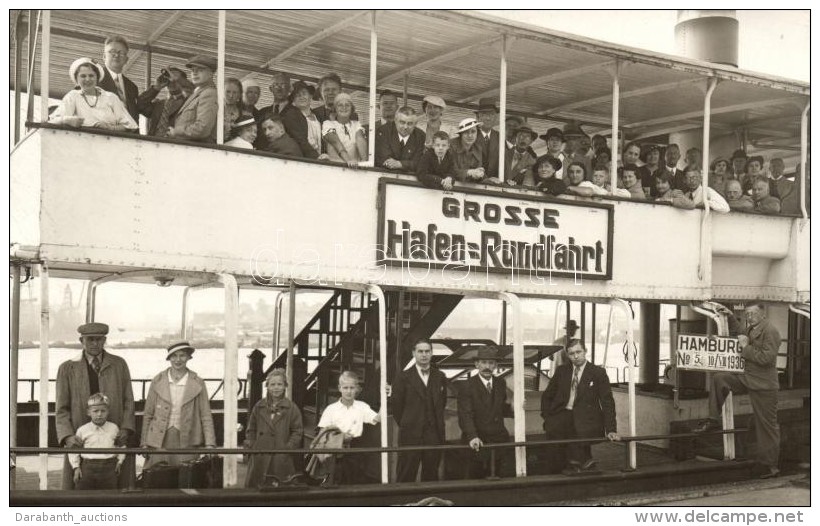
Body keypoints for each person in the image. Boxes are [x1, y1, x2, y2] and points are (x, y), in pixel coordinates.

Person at [695, 302, 781, 479]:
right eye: (747, 313)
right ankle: (713, 419)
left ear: (762, 314)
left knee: (766, 426)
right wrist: (730, 315)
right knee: (720, 378)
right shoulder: (753, 327)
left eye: (753, 313)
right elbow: (741, 330)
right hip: (748, 377)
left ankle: (770, 467)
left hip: (764, 385)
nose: (750, 316)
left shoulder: (770, 330)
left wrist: (745, 348)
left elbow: (767, 358)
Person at [56, 322, 135, 490]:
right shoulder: (67, 368)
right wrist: (67, 436)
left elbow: (129, 400)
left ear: (104, 340)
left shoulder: (119, 364)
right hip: (80, 436)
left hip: (113, 435)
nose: (94, 344)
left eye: (99, 339)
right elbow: (61, 408)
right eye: (89, 339)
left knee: (117, 484)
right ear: (81, 341)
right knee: (78, 486)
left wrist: (126, 428)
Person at [540, 339, 619, 475]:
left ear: (585, 351)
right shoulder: (562, 371)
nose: (575, 356)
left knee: (578, 433)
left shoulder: (598, 373)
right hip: (563, 414)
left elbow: (607, 402)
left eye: (578, 352)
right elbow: (547, 396)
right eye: (571, 354)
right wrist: (548, 416)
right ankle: (563, 470)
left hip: (587, 417)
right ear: (567, 355)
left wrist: (611, 429)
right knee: (554, 440)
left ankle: (580, 464)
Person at [141, 341, 216, 469]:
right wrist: (144, 443)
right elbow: (148, 413)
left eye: (182, 355)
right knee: (158, 477)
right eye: (174, 356)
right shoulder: (157, 380)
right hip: (159, 439)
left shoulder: (198, 382)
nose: (178, 360)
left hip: (188, 439)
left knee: (186, 477)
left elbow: (205, 415)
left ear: (188, 357)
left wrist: (210, 444)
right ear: (169, 358)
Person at [390, 340, 448, 482]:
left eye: (427, 351)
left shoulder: (440, 377)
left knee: (431, 474)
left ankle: (429, 503)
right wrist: (409, 423)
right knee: (406, 473)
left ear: (431, 353)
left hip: (433, 435)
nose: (424, 355)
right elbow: (397, 407)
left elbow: (442, 403)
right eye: (420, 351)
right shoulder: (402, 377)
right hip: (410, 434)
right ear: (413, 353)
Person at [457, 346, 514, 479]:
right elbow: (465, 414)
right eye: (483, 362)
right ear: (476, 364)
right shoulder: (467, 385)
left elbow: (498, 409)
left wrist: (513, 408)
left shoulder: (500, 383)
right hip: (477, 442)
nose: (487, 366)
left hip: (498, 441)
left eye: (491, 363)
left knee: (497, 478)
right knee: (475, 479)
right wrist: (472, 436)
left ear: (496, 365)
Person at [316, 371, 381, 484]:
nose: (349, 391)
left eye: (352, 388)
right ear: (339, 388)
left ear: (357, 389)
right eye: (345, 388)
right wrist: (340, 437)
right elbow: (322, 432)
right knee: (336, 482)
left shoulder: (362, 407)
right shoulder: (331, 409)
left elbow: (378, 419)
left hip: (355, 451)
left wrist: (385, 397)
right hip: (336, 452)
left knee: (354, 482)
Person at [244, 369, 304, 487]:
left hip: (280, 456)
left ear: (285, 386)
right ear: (267, 386)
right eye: (272, 384)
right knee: (256, 490)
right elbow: (251, 428)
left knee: (280, 490)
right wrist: (253, 445)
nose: (276, 388)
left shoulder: (291, 408)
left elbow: (298, 431)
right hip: (260, 455)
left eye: (279, 384)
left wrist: (287, 448)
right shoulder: (259, 406)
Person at [50, 57, 138, 132]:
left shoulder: (111, 97)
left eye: (91, 75)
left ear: (97, 77)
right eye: (83, 76)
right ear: (76, 79)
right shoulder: (73, 96)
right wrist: (67, 120)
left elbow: (129, 126)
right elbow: (52, 121)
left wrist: (110, 127)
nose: (87, 79)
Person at [69, 393, 125, 490]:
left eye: (103, 411)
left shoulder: (114, 428)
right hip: (87, 468)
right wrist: (76, 467)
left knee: (109, 496)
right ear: (88, 412)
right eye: (95, 411)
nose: (99, 414)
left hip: (109, 467)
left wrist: (120, 461)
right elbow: (74, 450)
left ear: (108, 412)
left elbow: (121, 446)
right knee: (84, 496)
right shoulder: (82, 430)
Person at [168, 54, 218, 143]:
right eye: (193, 70)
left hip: (197, 150)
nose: (195, 73)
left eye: (200, 70)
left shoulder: (209, 93)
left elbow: (203, 129)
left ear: (211, 73)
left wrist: (176, 131)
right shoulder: (198, 92)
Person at [137, 66, 194, 137]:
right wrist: (156, 88)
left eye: (175, 79)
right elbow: (139, 105)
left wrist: (179, 80)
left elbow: (195, 90)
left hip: (175, 144)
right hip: (153, 143)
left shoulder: (189, 102)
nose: (171, 81)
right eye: (168, 79)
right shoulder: (159, 105)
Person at [97, 35, 140, 122]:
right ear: (104, 56)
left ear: (126, 59)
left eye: (121, 53)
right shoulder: (94, 79)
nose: (116, 55)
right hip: (100, 133)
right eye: (112, 51)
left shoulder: (132, 87)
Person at [280, 81, 326, 160]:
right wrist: (316, 157)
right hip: (301, 159)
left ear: (310, 96)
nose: (301, 97)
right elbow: (299, 139)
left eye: (304, 93)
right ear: (293, 100)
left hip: (320, 159)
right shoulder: (291, 115)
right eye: (297, 95)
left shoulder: (318, 117)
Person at [375, 106, 426, 172]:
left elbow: (419, 163)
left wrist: (400, 164)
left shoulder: (420, 136)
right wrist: (407, 164)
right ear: (395, 121)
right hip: (383, 174)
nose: (405, 127)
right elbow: (382, 158)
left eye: (410, 123)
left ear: (415, 124)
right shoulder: (384, 131)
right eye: (402, 122)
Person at [322, 92, 367, 166]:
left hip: (354, 168)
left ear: (352, 109)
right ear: (335, 109)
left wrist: (364, 163)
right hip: (335, 167)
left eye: (347, 105)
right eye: (340, 105)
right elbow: (336, 142)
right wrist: (349, 161)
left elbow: (360, 139)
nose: (344, 108)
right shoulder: (328, 124)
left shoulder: (356, 124)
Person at [451, 118, 488, 183]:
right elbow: (450, 171)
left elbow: (478, 171)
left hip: (469, 188)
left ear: (477, 133)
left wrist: (484, 176)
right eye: (466, 132)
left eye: (473, 131)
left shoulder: (478, 149)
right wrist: (469, 172)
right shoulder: (451, 146)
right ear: (461, 134)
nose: (470, 135)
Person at [475, 97, 500, 178]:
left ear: (495, 118)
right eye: (484, 114)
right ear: (478, 117)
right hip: (473, 182)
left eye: (491, 114)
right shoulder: (470, 135)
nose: (488, 118)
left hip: (494, 184)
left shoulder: (500, 137)